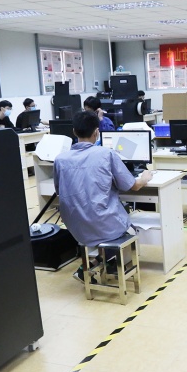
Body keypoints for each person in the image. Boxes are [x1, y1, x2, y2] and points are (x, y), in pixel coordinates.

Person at [53, 111, 153, 282]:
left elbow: (58, 190)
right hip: (102, 223)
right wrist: (144, 178)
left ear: (74, 132)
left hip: (75, 226)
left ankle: (97, 264)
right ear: (97, 132)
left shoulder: (60, 159)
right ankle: (105, 261)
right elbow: (133, 186)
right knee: (129, 227)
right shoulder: (106, 154)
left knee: (100, 218)